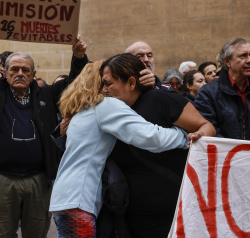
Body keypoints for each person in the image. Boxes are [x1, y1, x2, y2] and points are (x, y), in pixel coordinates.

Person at [49, 59, 191, 238]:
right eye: (107, 80)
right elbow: (149, 137)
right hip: (79, 200)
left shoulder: (83, 109)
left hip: (66, 197)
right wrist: (184, 135)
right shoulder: (104, 106)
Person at [101, 54, 215, 238]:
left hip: (173, 215)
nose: (104, 90)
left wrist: (198, 136)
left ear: (131, 83)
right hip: (129, 218)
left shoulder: (162, 100)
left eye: (108, 84)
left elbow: (206, 126)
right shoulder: (108, 113)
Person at [0, 36, 88, 237]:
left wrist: (79, 56)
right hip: (3, 180)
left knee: (37, 231)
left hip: (39, 180)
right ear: (4, 73)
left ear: (33, 74)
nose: (20, 74)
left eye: (25, 70)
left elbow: (74, 83)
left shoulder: (47, 95)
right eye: (14, 70)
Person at [195, 37, 250, 140]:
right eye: (243, 56)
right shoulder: (208, 93)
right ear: (227, 61)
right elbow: (209, 129)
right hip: (226, 155)